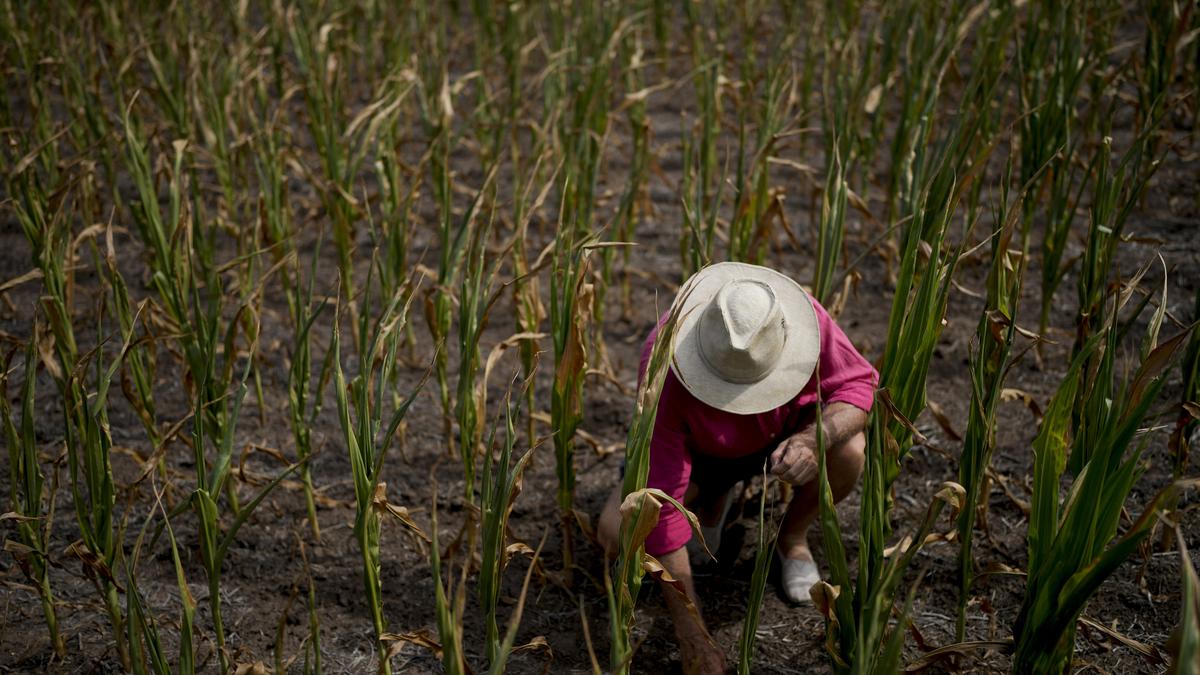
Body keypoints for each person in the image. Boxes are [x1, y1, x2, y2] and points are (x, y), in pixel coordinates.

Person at [597, 262, 877, 674]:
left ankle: (791, 539)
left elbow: (858, 385)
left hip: (782, 440)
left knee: (850, 449)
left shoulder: (801, 318)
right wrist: (692, 634)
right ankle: (712, 498)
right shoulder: (664, 367)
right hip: (700, 457)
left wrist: (810, 440)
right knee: (614, 533)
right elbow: (659, 504)